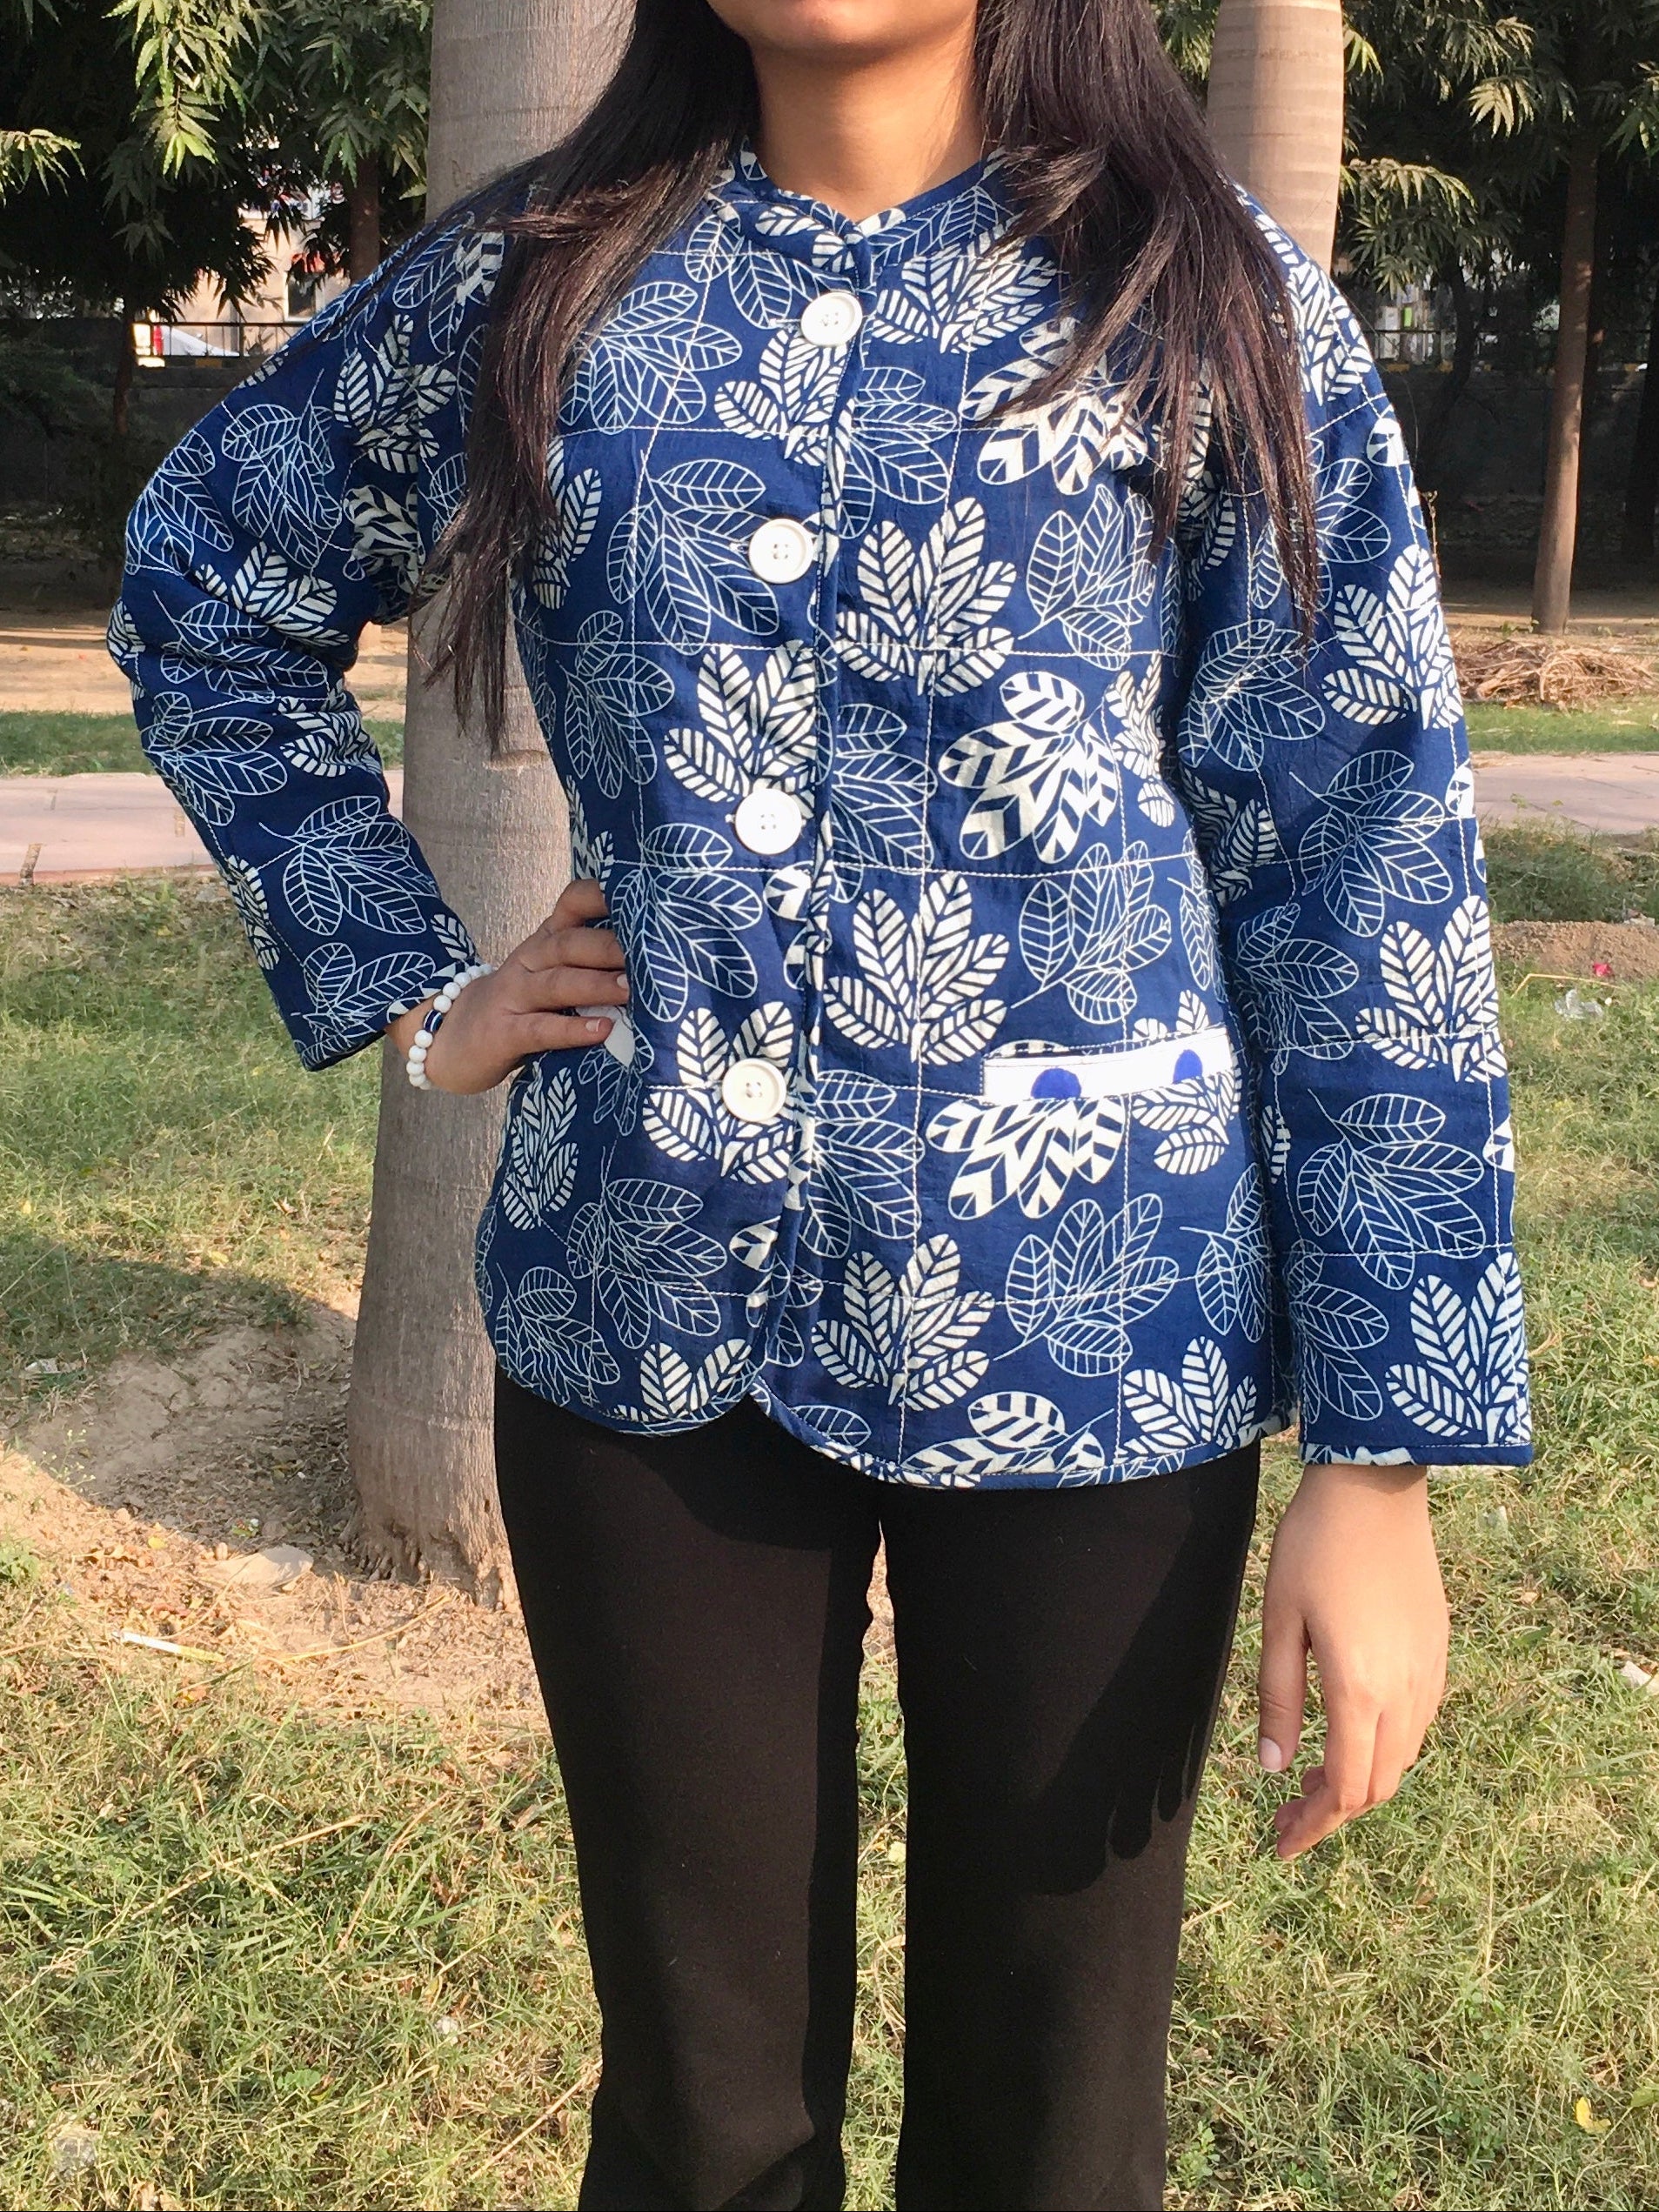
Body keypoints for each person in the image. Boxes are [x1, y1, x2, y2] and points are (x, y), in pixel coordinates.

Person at [111, 2, 1532, 2203]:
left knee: (1053, 2118)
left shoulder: (1201, 289)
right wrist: (415, 980)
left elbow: (1360, 863)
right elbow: (206, 578)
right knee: (698, 2112)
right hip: (642, 1309)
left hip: (1099, 1343)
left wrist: (1387, 1453)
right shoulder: (540, 284)